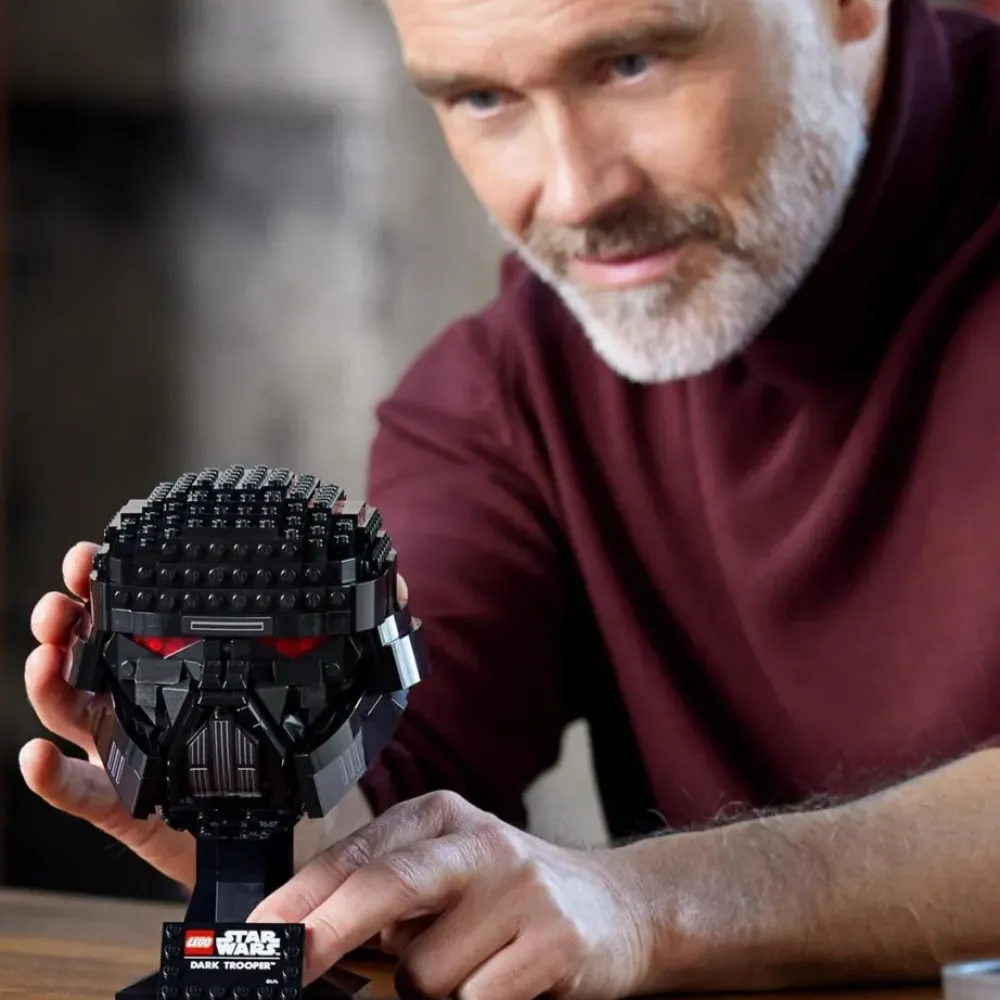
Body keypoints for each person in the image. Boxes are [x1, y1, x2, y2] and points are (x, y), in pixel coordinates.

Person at [21, 0, 1000, 996]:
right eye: (482, 97)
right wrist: (278, 822)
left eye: (632, 62)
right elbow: (409, 775)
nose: (574, 193)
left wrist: (660, 902)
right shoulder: (506, 391)